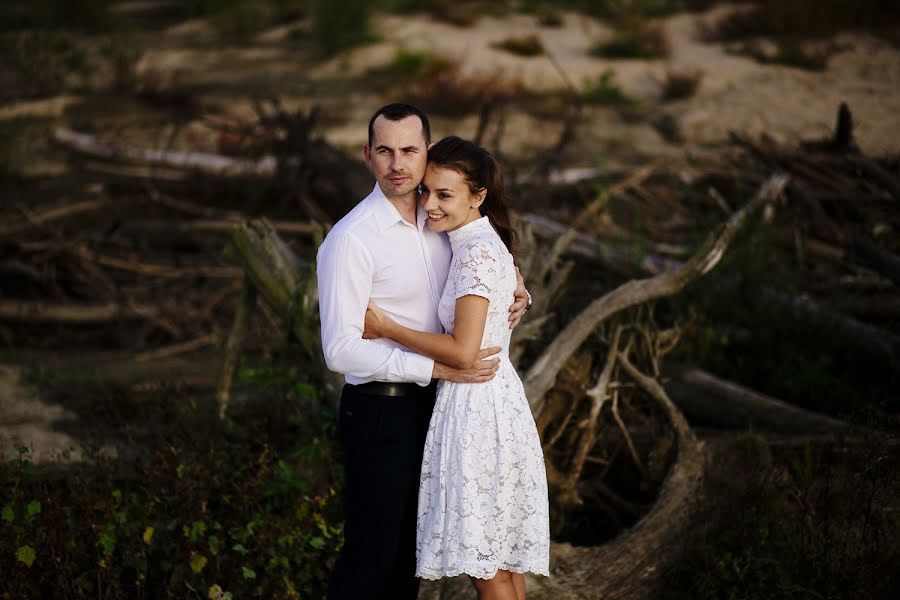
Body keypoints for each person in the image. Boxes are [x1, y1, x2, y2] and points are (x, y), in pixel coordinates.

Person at [317, 104, 530, 600]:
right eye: (385, 151)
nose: (398, 163)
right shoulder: (352, 239)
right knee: (372, 556)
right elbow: (341, 349)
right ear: (367, 156)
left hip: (438, 408)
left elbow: (486, 265)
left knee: (410, 563)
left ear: (426, 152)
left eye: (409, 150)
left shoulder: (440, 217)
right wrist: (434, 365)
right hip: (381, 411)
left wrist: (520, 294)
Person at [363, 136, 550, 600]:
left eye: (444, 195)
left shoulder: (476, 253)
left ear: (478, 196)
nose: (430, 205)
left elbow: (463, 352)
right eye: (427, 191)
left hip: (477, 411)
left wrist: (386, 326)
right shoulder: (477, 242)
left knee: (486, 569)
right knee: (499, 564)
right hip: (492, 402)